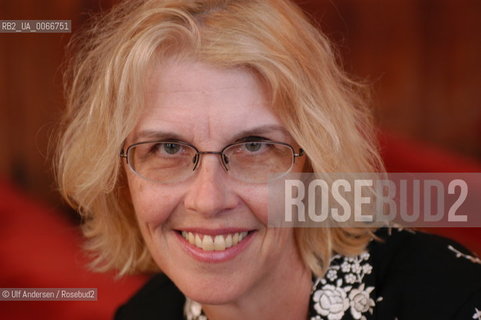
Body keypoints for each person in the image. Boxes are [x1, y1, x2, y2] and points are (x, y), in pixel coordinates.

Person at [55, 0, 481, 319]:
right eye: (168, 148)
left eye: (254, 146)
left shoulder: (449, 298)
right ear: (120, 178)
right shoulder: (143, 317)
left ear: (314, 165)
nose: (208, 200)